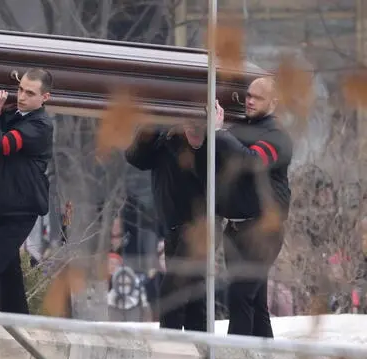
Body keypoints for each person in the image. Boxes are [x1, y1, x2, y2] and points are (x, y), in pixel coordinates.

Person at [202, 77, 293, 338]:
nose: (250, 101)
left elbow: (253, 161)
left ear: (274, 103)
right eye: (248, 95)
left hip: (263, 231)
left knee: (240, 297)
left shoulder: (278, 137)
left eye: (258, 97)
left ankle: (235, 353)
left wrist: (220, 133)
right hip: (236, 230)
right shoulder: (243, 127)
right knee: (255, 304)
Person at [0, 68, 54, 314]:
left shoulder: (40, 125)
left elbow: (0, 145)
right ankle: (21, 324)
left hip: (20, 211)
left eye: (30, 93)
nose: (21, 96)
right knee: (8, 271)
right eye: (20, 89)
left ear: (45, 98)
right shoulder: (14, 115)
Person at [125, 121, 209, 331]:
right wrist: (152, 130)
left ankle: (169, 348)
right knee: (193, 296)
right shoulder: (161, 133)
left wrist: (177, 138)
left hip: (198, 226)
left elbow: (199, 168)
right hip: (172, 225)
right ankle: (198, 349)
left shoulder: (200, 134)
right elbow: (136, 158)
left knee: (171, 291)